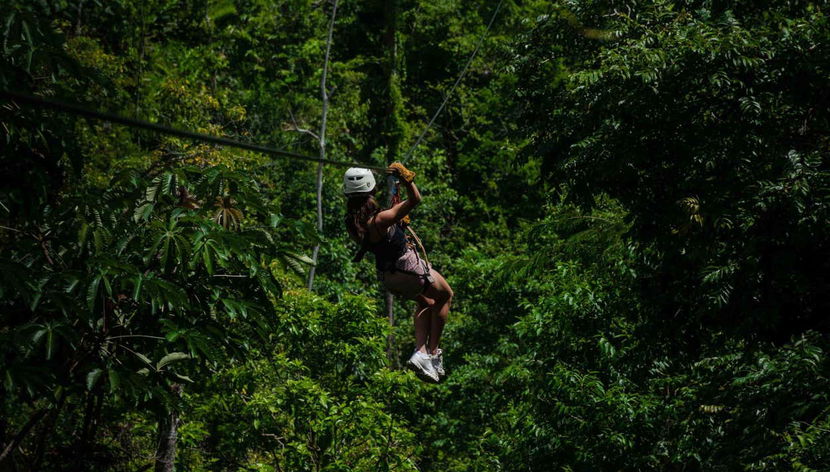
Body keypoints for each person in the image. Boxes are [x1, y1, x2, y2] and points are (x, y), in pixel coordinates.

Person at [343, 163, 453, 383]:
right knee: (445, 295)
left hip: (389, 277)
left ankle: (420, 352)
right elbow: (415, 200)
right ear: (371, 189)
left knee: (426, 303)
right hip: (408, 269)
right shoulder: (382, 219)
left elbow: (384, 228)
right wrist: (407, 180)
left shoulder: (354, 224)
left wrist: (396, 203)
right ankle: (432, 352)